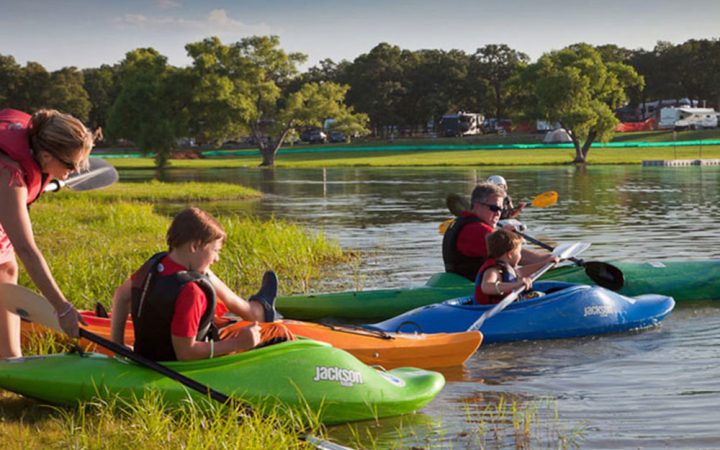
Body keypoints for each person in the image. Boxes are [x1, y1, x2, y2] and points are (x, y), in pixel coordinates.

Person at [110, 207, 293, 361]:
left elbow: (121, 295)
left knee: (204, 275)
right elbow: (185, 353)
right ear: (195, 246)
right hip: (179, 366)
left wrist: (117, 345)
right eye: (215, 251)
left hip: (148, 356)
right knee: (281, 333)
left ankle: (255, 311)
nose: (217, 259)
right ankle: (257, 313)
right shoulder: (192, 291)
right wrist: (237, 344)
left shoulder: (152, 266)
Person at [0, 108, 93, 358]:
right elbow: (27, 250)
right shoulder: (9, 176)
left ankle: (10, 360)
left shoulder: (38, 146)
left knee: (6, 269)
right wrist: (62, 308)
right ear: (44, 155)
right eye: (71, 165)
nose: (76, 171)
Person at [442, 182, 549, 281]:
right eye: (494, 208)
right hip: (474, 286)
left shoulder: (463, 222)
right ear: (477, 205)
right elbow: (515, 257)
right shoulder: (478, 230)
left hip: (463, 279)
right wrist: (549, 260)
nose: (498, 213)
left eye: (501, 209)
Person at [474, 229, 558, 304]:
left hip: (507, 305)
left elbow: (520, 272)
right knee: (541, 296)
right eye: (519, 252)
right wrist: (516, 285)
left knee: (540, 294)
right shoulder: (493, 270)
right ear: (510, 254)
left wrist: (545, 263)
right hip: (489, 309)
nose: (520, 256)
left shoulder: (505, 268)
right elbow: (486, 287)